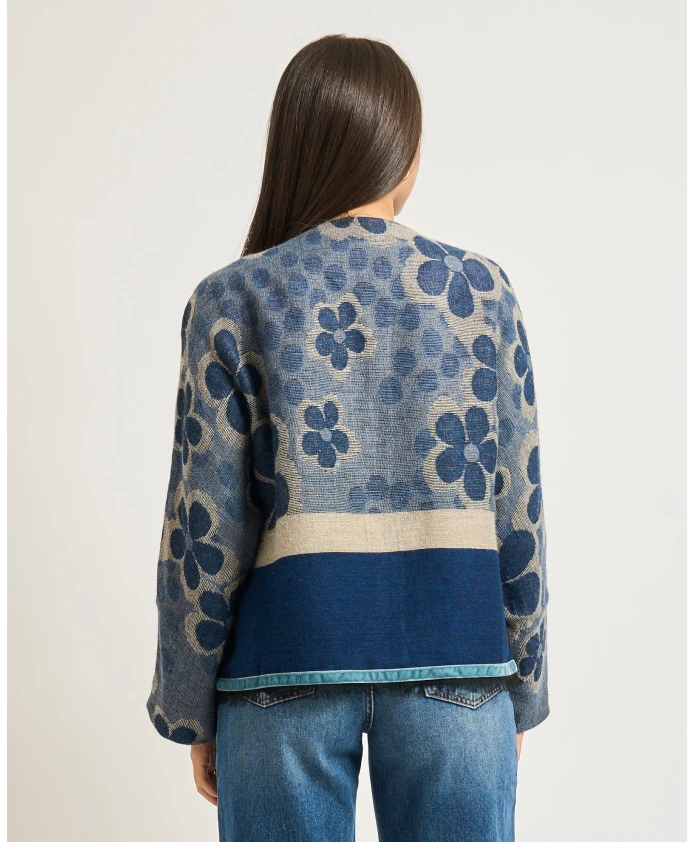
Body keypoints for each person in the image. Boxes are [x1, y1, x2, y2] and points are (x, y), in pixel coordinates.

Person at [147, 33, 549, 842]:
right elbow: (518, 509)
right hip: (460, 666)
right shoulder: (480, 292)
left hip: (281, 669)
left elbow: (203, 530)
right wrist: (522, 685)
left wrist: (190, 707)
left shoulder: (233, 298)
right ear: (404, 151)